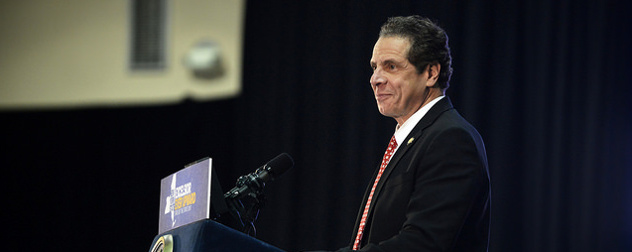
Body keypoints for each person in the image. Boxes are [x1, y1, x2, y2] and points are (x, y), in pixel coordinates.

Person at [325, 16, 491, 251]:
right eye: (374, 67)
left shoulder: (451, 139)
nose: (375, 79)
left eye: (391, 66)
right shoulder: (410, 140)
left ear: (431, 73)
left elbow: (421, 245)